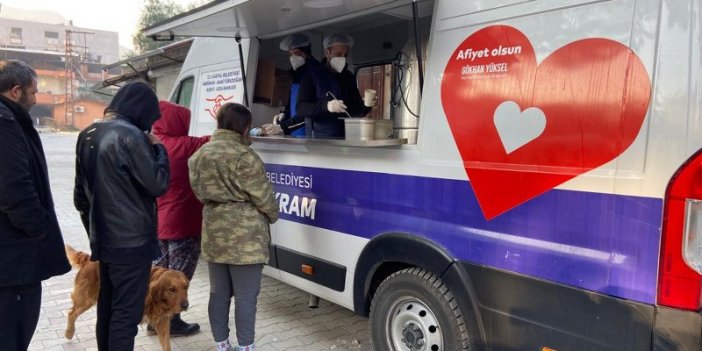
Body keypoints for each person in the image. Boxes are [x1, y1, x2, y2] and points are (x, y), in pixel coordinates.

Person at [74, 81, 170, 351]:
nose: (149, 125)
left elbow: (80, 197)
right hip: (131, 243)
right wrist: (160, 149)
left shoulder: (88, 133)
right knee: (126, 315)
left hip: (104, 242)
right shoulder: (132, 136)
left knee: (108, 307)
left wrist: (95, 233)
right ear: (141, 110)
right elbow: (158, 184)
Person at [188, 103, 278, 351]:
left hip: (214, 231)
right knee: (246, 297)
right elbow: (264, 197)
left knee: (218, 294)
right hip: (246, 238)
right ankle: (246, 346)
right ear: (245, 127)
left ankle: (222, 345)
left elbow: (198, 192)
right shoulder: (244, 157)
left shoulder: (199, 155)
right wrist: (273, 215)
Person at [0, 60, 71, 351]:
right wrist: (40, 229)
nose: (37, 98)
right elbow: (13, 189)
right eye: (34, 91)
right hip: (13, 262)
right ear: (16, 91)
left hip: (11, 259)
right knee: (12, 337)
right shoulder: (4, 123)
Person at [150, 100, 210, 336]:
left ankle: (154, 318)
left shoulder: (152, 144)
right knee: (179, 277)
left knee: (160, 275)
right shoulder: (184, 145)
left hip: (159, 223)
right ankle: (171, 322)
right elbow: (215, 139)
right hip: (182, 223)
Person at [294, 33, 376, 138]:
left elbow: (356, 112)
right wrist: (327, 106)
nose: (342, 58)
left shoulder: (348, 77)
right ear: (327, 53)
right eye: (338, 54)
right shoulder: (313, 75)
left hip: (347, 135)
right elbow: (301, 108)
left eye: (345, 55)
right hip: (320, 138)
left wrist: (367, 105)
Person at [262, 33, 321, 137]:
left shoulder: (316, 73)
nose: (293, 57)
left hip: (311, 132)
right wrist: (285, 113)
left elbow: (309, 110)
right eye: (290, 54)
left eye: (297, 53)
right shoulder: (294, 73)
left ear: (306, 53)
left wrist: (282, 127)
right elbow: (294, 102)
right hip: (294, 131)